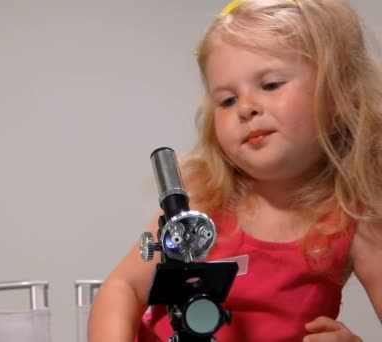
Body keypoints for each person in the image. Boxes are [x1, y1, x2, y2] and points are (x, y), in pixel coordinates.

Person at [89, 0, 382, 341]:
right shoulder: (201, 199)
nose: (245, 108)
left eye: (271, 84)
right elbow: (123, 286)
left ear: (341, 96)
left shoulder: (355, 217)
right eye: (227, 100)